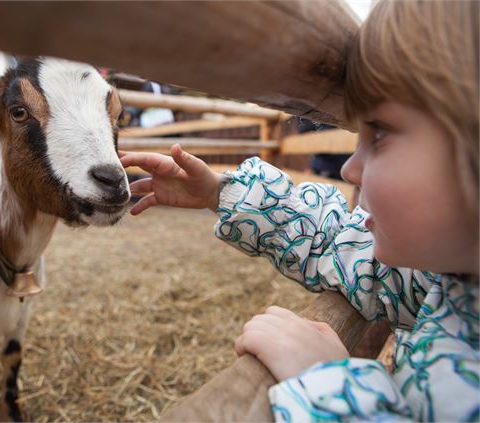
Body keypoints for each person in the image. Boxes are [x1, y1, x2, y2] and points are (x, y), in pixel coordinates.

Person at [119, 0, 479, 420]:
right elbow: (337, 248)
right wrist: (220, 194)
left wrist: (335, 388)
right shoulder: (451, 280)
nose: (349, 167)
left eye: (379, 133)